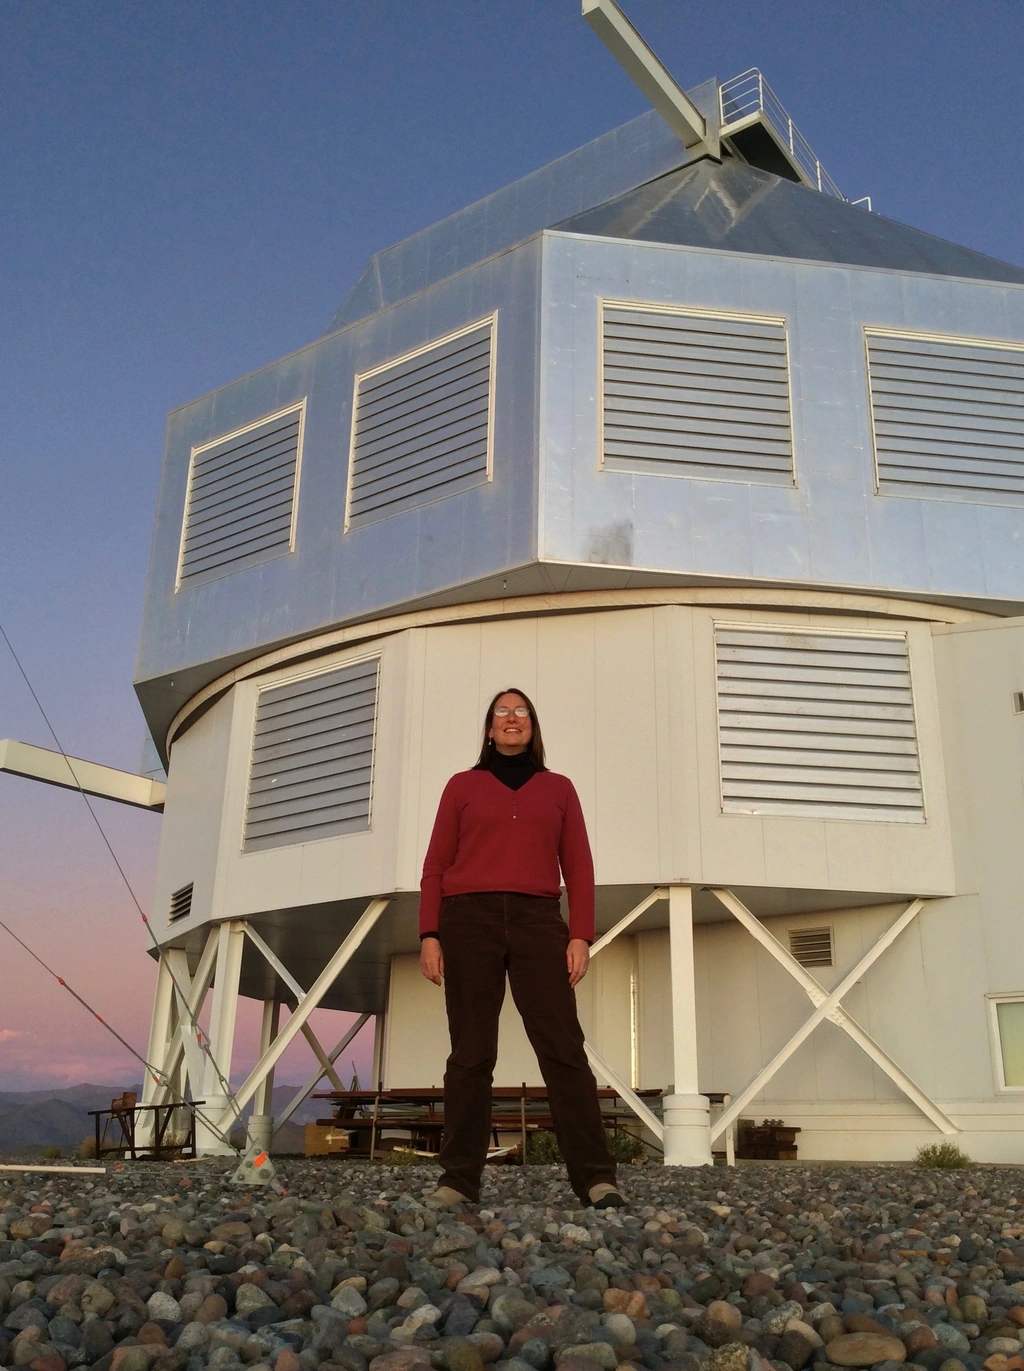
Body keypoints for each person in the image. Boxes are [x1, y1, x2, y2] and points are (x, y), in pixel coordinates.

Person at [418, 687, 625, 1210]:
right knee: (470, 1053)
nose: (512, 718)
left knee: (563, 1048)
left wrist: (580, 933)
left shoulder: (559, 788)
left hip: (538, 921)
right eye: (502, 712)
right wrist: (429, 934)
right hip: (468, 920)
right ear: (489, 729)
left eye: (522, 712)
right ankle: (458, 1180)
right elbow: (435, 865)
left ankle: (597, 1180)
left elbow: (578, 866)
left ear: (532, 727)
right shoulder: (462, 786)